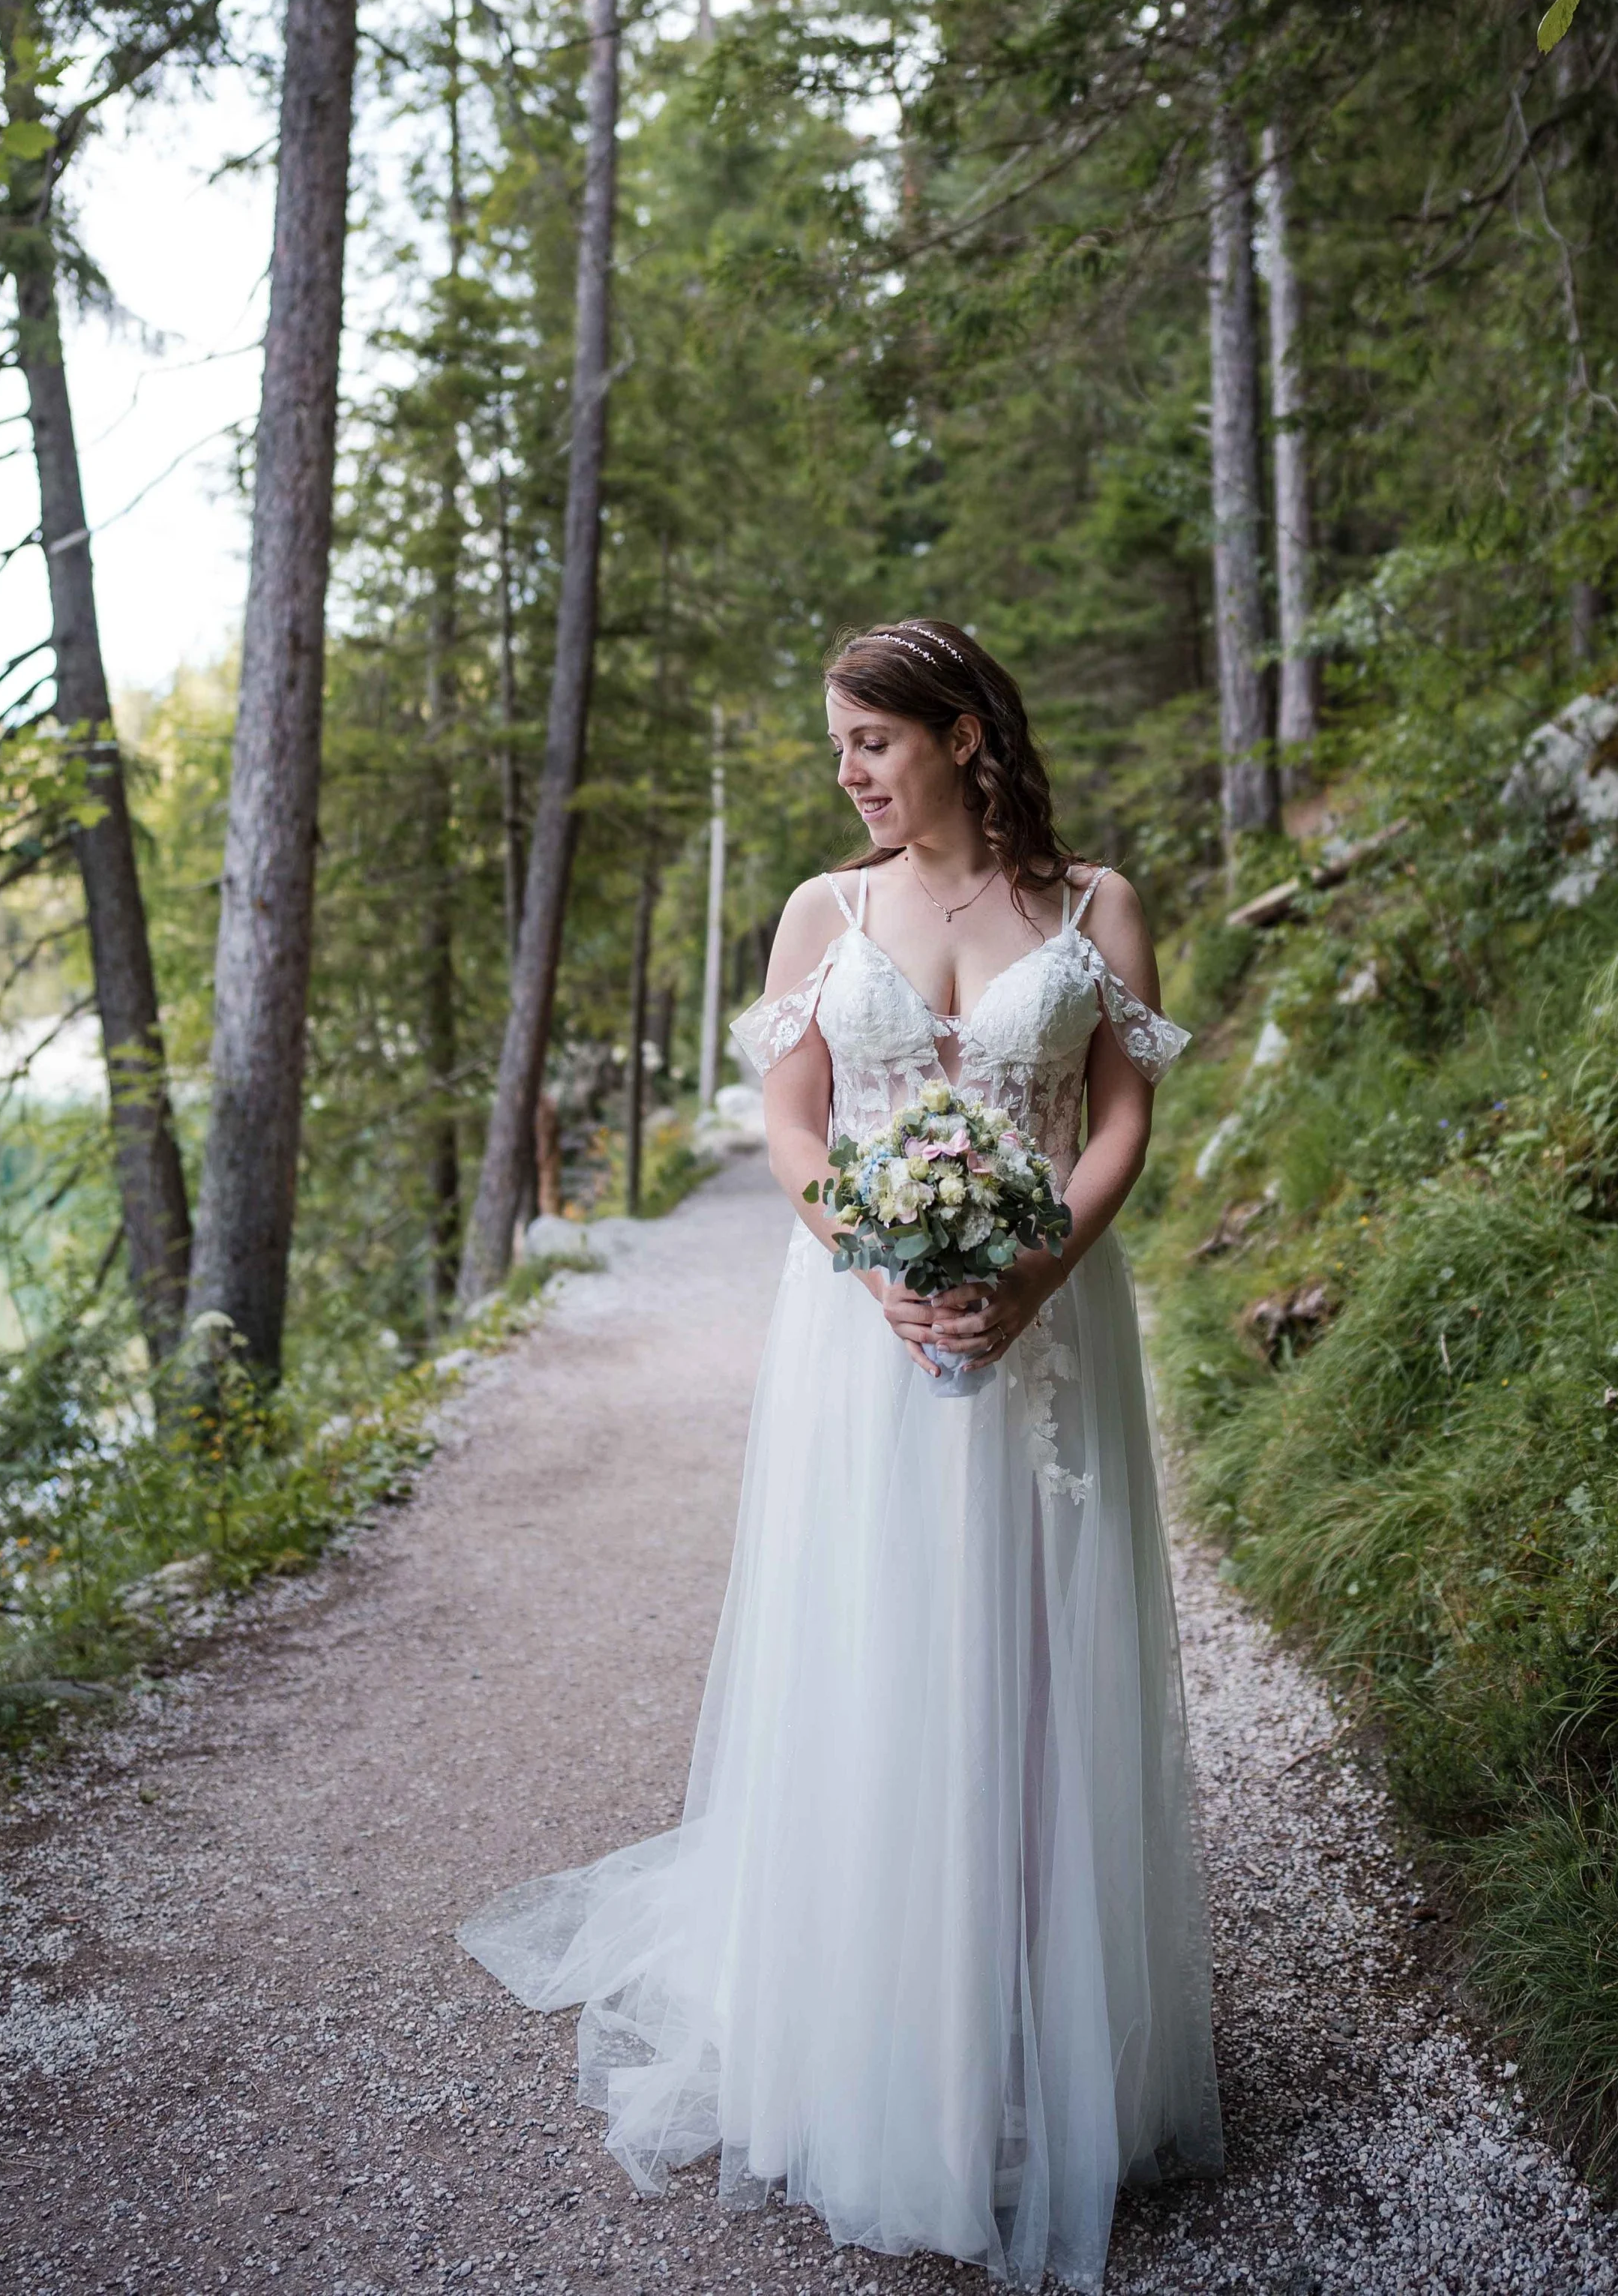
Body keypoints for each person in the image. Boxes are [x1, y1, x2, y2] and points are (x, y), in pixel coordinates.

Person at [459, 618, 1221, 2292]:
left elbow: (1115, 1119)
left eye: (871, 743)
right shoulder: (825, 909)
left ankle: (1026, 2044)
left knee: (1032, 1657)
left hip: (1045, 1326)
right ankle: (868, 2039)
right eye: (835, 748)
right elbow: (795, 1123)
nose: (849, 773)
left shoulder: (1092, 908)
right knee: (869, 1656)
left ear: (959, 734)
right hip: (858, 1334)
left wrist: (1031, 1279)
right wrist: (865, 1258)